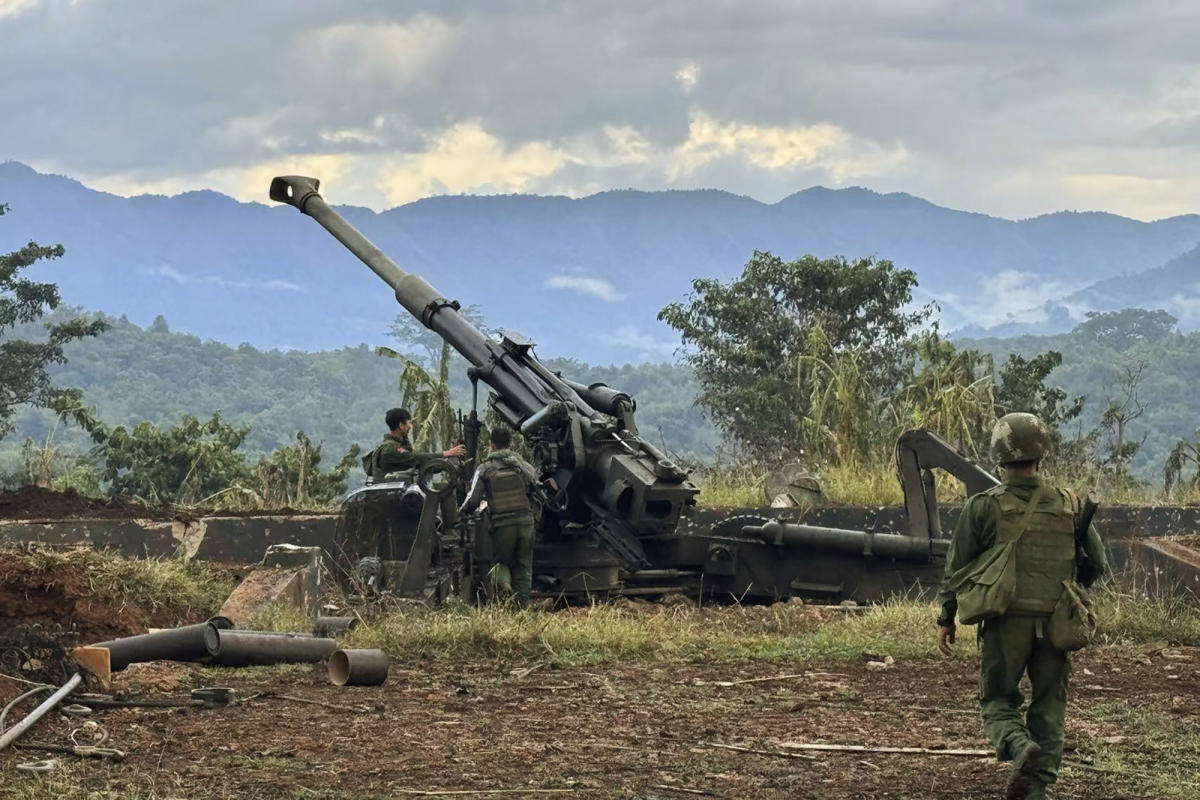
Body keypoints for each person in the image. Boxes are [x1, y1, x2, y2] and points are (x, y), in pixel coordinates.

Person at [937, 412, 1107, 800]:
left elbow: (956, 568)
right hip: (1057, 624)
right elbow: (1097, 565)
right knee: (1048, 707)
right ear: (1041, 454)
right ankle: (1037, 789)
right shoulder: (1067, 504)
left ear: (999, 456)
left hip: (1005, 620)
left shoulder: (983, 507)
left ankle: (1016, 744)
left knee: (997, 698)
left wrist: (946, 617)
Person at [459, 426, 540, 607]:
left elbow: (473, 501)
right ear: (511, 444)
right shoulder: (523, 466)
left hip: (503, 524)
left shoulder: (485, 468)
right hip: (526, 522)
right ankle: (522, 606)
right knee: (524, 566)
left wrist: (461, 514)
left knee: (500, 562)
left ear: (491, 444)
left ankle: (504, 591)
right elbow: (536, 488)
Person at [366, 407, 465, 481]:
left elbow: (420, 464)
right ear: (401, 425)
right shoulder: (390, 449)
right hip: (390, 497)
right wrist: (447, 453)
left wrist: (446, 464)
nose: (411, 426)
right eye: (409, 423)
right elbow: (416, 458)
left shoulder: (398, 445)